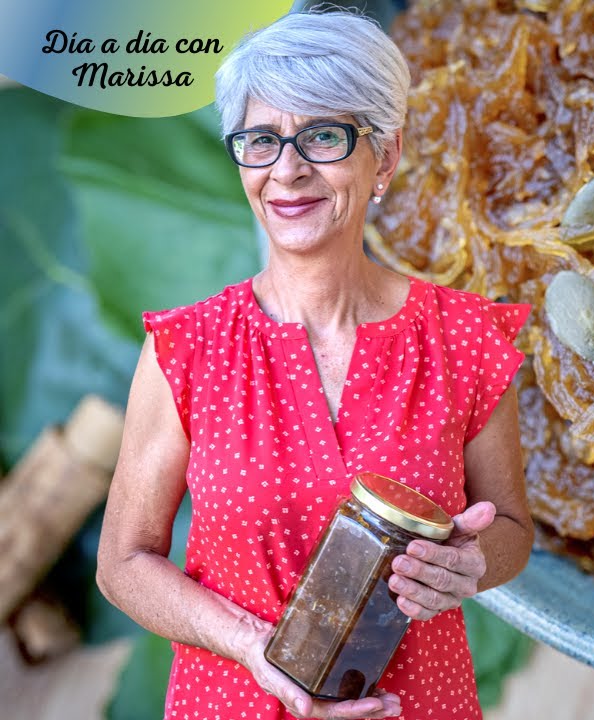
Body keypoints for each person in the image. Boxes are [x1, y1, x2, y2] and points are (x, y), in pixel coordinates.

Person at [96, 10, 534, 720]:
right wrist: (250, 646)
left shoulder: (464, 337)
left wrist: (472, 563)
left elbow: (511, 527)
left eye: (323, 137)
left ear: (384, 157)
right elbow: (123, 564)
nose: (287, 170)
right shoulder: (187, 347)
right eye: (261, 141)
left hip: (416, 704)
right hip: (230, 703)